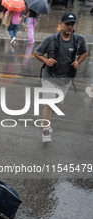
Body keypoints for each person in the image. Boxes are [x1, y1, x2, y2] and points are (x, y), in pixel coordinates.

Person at [34, 13, 88, 142]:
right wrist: (46, 61)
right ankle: (46, 129)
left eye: (72, 24)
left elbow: (84, 52)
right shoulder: (51, 39)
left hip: (66, 78)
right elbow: (37, 52)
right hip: (50, 76)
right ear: (60, 24)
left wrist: (78, 62)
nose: (69, 27)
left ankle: (46, 122)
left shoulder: (78, 39)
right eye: (67, 24)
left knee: (56, 104)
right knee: (50, 102)